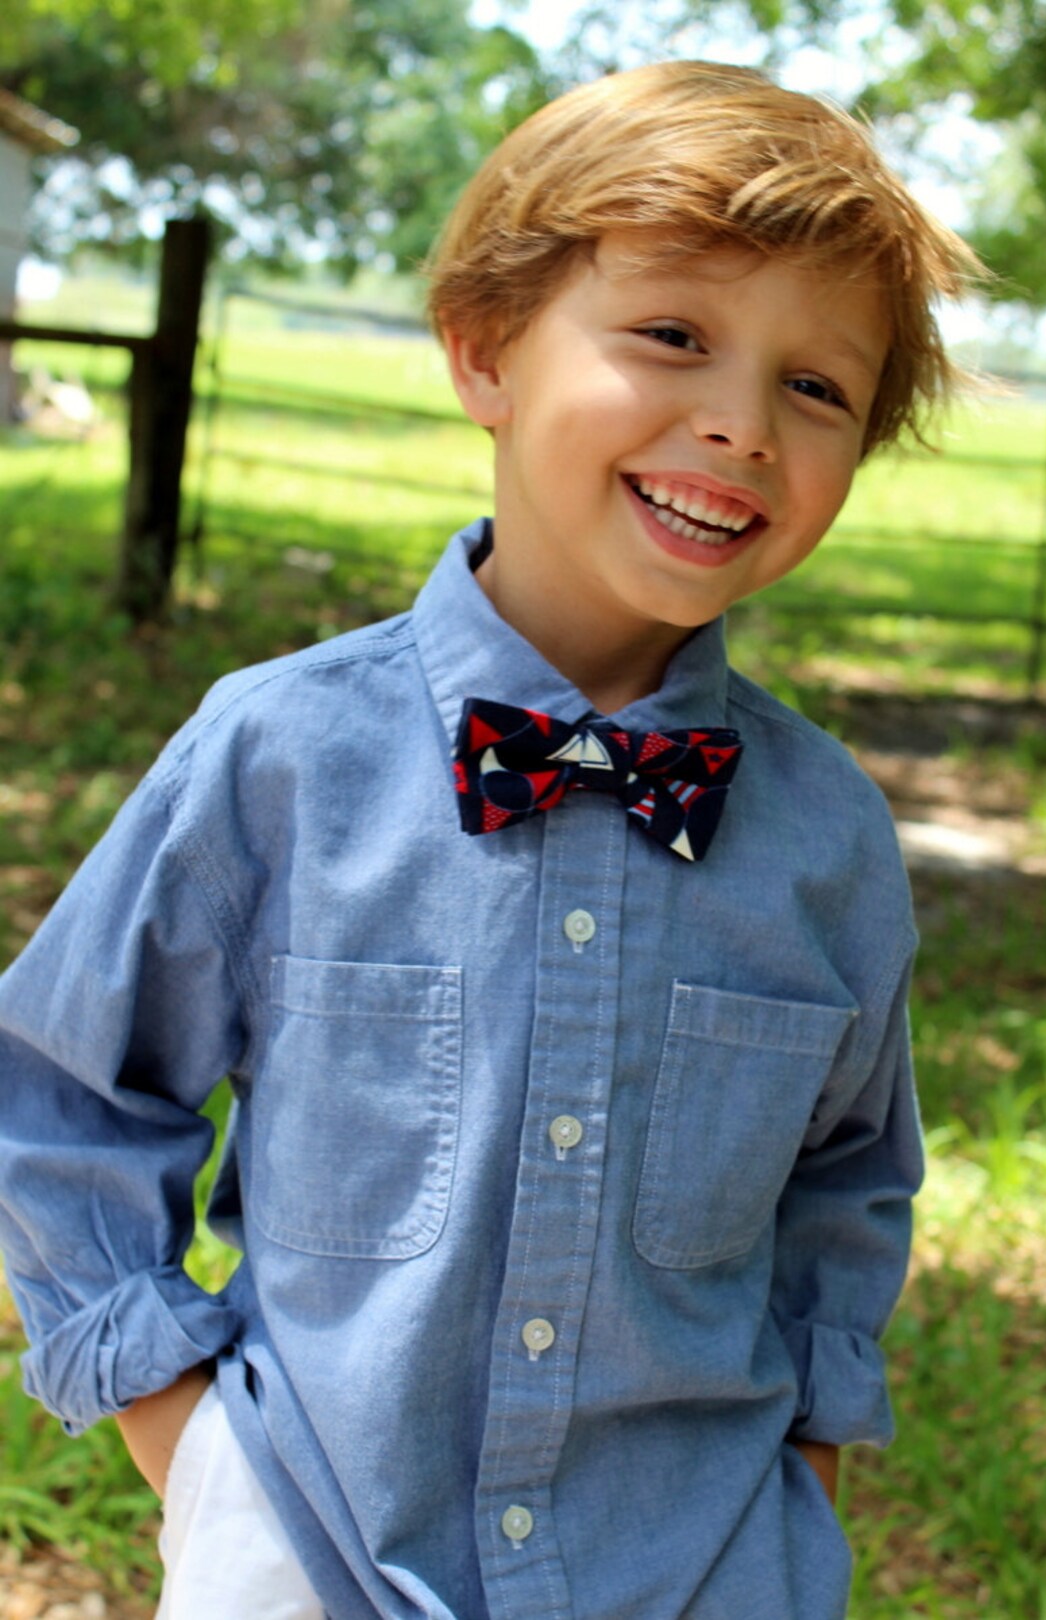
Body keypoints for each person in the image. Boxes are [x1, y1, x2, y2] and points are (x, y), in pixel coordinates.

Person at [0, 60, 982, 1620]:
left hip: (709, 1567)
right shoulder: (280, 758)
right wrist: (194, 1452)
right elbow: (59, 1091)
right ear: (484, 351)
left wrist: (805, 1480)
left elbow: (845, 1186)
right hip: (312, 1546)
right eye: (673, 336)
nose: (738, 426)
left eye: (817, 388)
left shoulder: (825, 840)